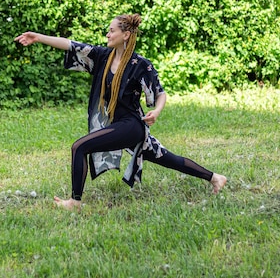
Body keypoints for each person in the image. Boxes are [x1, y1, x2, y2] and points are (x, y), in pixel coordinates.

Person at [14, 13, 226, 210]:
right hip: (117, 125)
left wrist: (157, 112)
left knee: (79, 147)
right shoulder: (103, 56)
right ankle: (214, 177)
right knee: (166, 157)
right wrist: (38, 37)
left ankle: (74, 202)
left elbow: (161, 94)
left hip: (132, 125)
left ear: (125, 35)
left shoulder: (140, 64)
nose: (107, 34)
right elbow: (71, 45)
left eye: (112, 30)